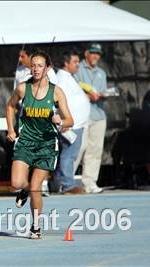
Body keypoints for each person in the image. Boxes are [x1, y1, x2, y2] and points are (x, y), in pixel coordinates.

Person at [6, 51, 73, 239]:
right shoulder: (22, 88)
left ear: (48, 68)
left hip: (46, 145)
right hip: (26, 141)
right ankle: (24, 190)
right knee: (16, 183)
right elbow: (10, 106)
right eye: (33, 65)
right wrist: (11, 129)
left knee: (36, 187)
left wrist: (60, 121)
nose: (35, 69)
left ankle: (35, 226)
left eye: (40, 65)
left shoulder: (56, 92)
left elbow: (70, 120)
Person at [54, 51, 90, 194]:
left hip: (76, 124)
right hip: (70, 125)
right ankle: (68, 185)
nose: (78, 65)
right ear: (66, 63)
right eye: (75, 62)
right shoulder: (62, 79)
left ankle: (57, 184)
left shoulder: (69, 78)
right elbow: (58, 100)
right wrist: (63, 122)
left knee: (68, 154)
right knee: (69, 154)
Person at [74, 43, 107, 194]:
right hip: (81, 116)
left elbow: (102, 92)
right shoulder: (77, 69)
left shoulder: (102, 73)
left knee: (95, 150)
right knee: (77, 148)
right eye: (93, 53)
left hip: (98, 115)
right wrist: (87, 95)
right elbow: (71, 90)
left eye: (98, 54)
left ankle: (90, 182)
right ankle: (66, 181)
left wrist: (103, 95)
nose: (96, 56)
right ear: (86, 53)